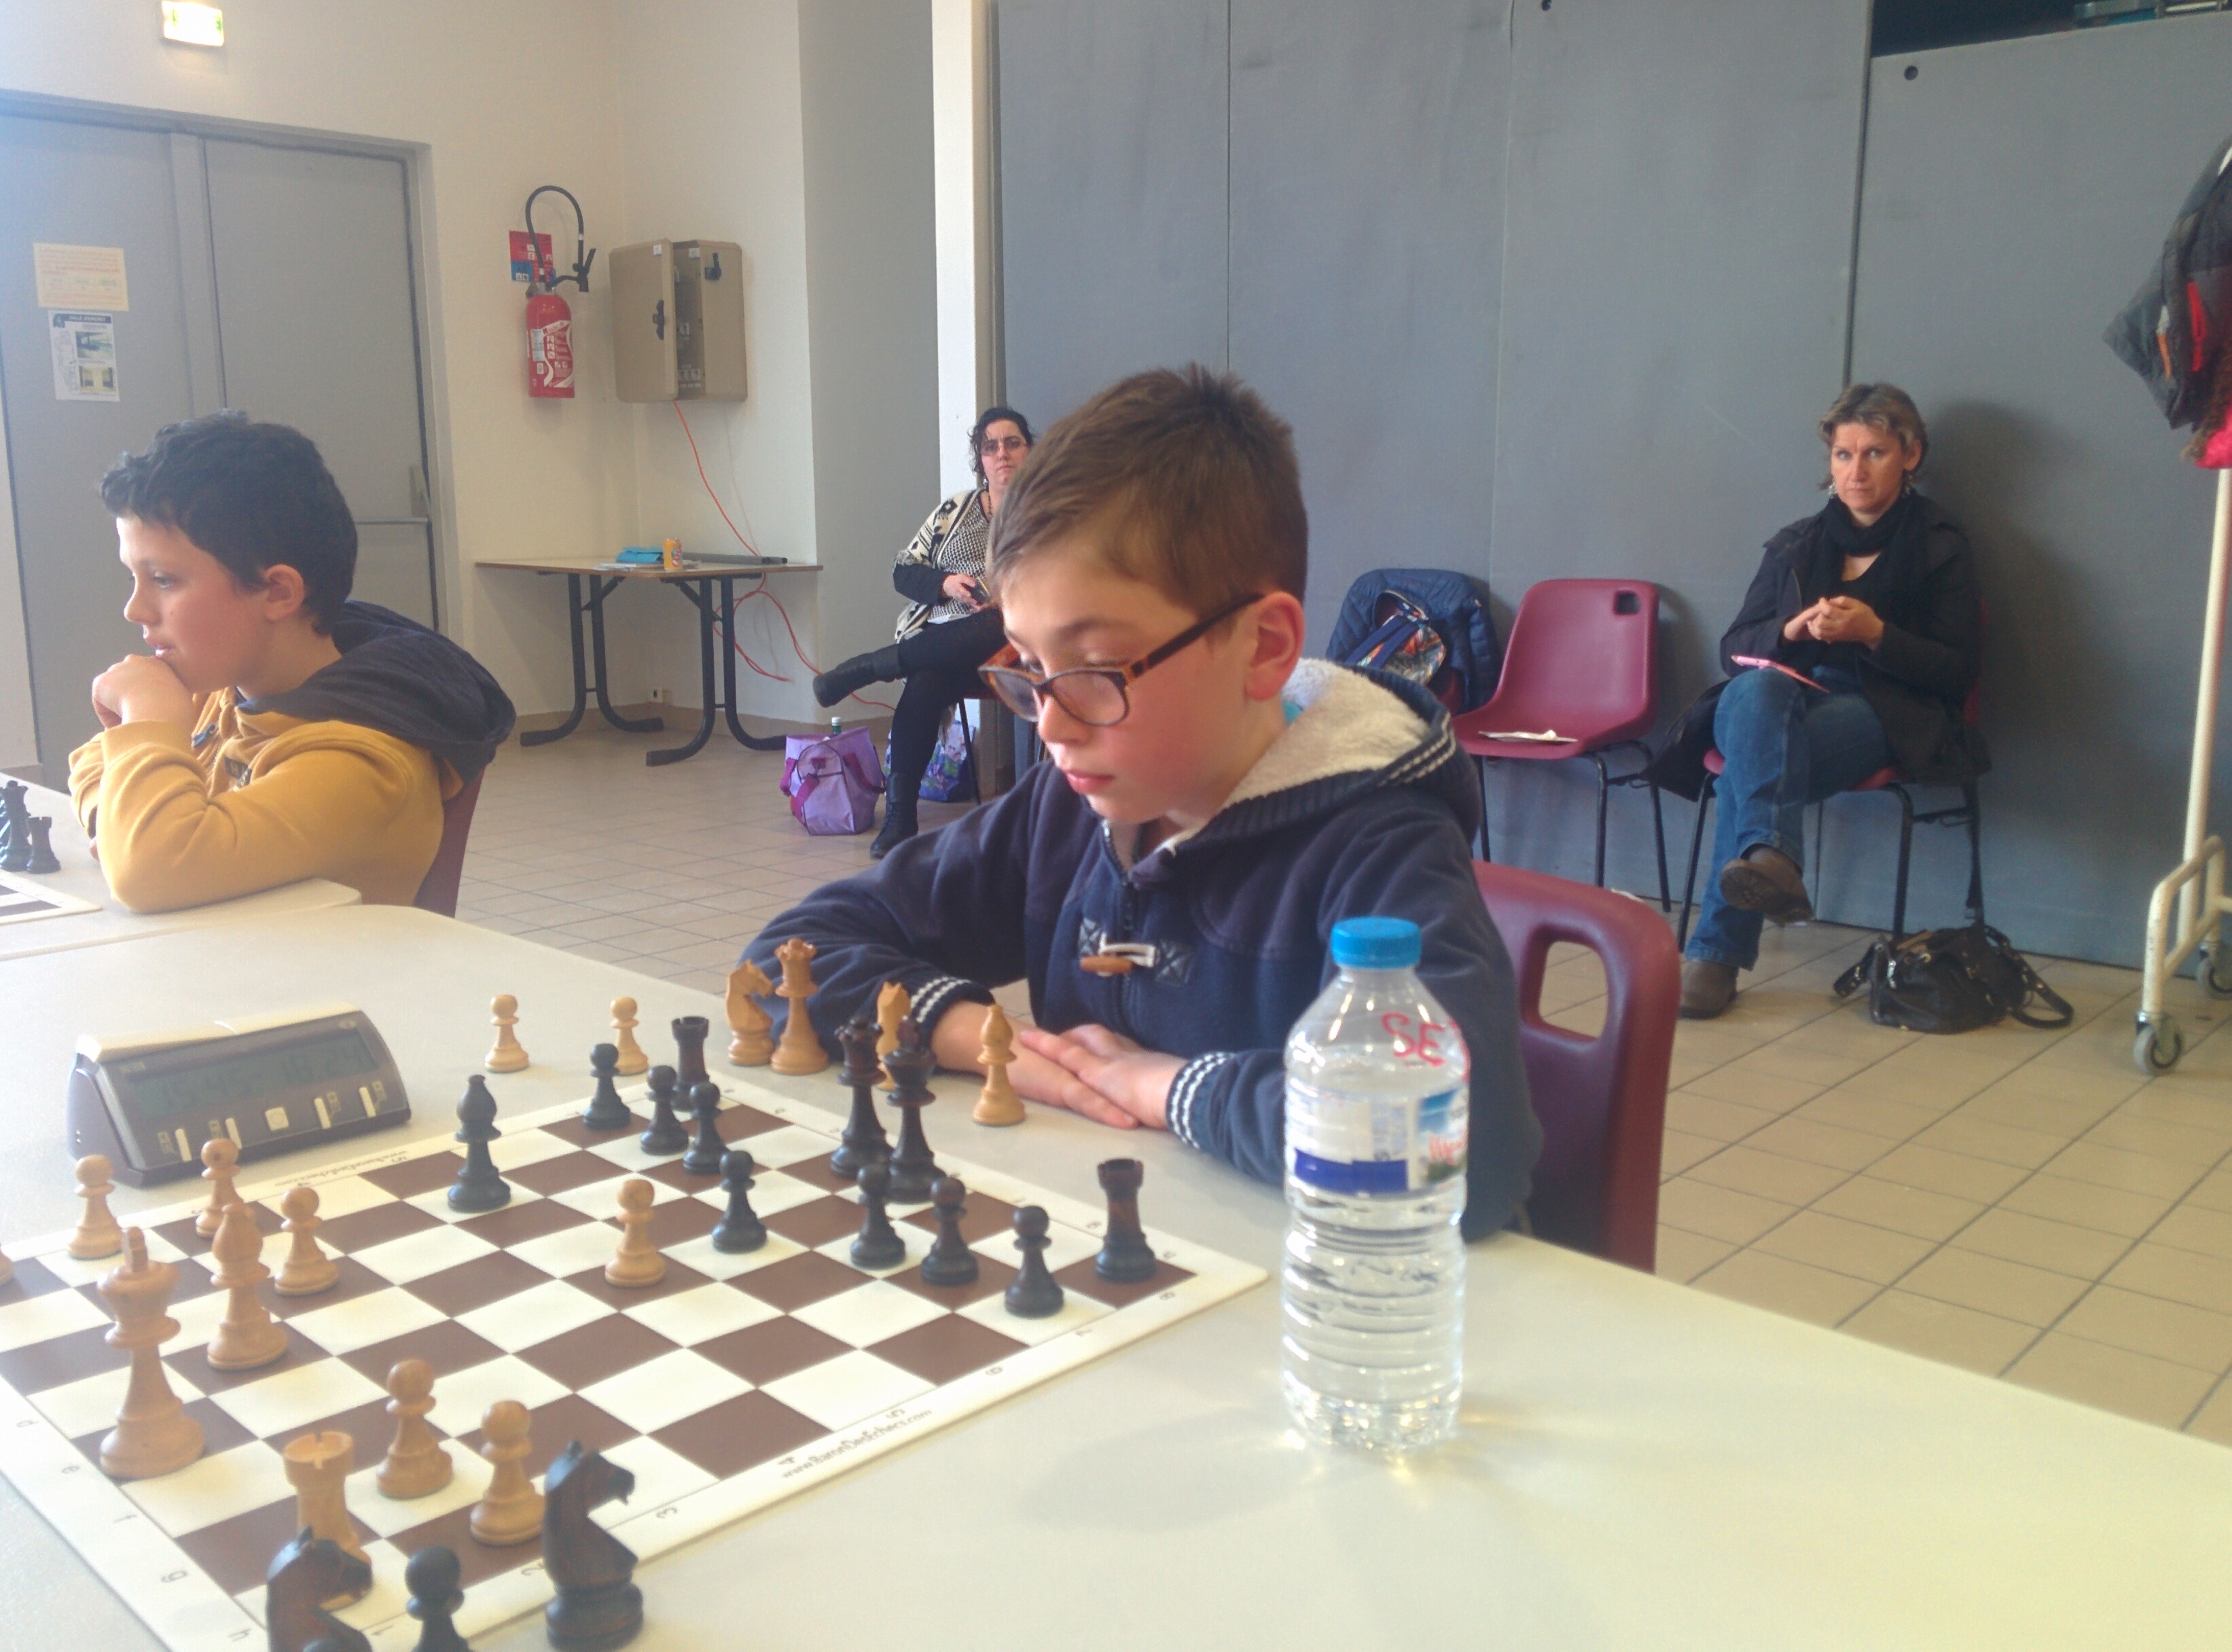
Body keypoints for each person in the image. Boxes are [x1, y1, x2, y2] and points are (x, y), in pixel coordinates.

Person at [751, 367, 1539, 1239]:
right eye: (1029, 669)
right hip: (1125, 1248)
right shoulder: (1066, 806)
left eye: (1093, 670)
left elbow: (1463, 1145)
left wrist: (1165, 1087)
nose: (1052, 725)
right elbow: (789, 954)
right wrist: (986, 1039)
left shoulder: (1378, 844)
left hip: (1312, 1280)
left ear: (1262, 647)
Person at [69, 412, 516, 912]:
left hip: (326, 965)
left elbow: (150, 872)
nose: (135, 610)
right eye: (134, 578)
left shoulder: (365, 763)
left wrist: (147, 718)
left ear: (278, 592)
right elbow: (89, 763)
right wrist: (121, 825)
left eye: (164, 580)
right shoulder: (222, 690)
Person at [1668, 384, 1986, 1019]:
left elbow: (1957, 673)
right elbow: (1735, 649)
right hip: (1779, 701)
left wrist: (1876, 635)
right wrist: (1789, 631)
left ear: (1911, 456)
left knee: (1745, 773)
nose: (1856, 471)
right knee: (1757, 688)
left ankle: (1719, 952)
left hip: (1883, 709)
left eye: (1874, 454)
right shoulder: (1797, 542)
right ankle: (1771, 862)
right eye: (1844, 455)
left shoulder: (1940, 544)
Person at [812, 406, 1034, 859]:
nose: (1002, 454)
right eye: (990, 446)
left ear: (1029, 451)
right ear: (980, 459)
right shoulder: (956, 509)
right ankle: (900, 816)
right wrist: (946, 584)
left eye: (1012, 443)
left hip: (1012, 646)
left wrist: (1004, 597)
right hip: (943, 644)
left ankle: (870, 667)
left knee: (997, 623)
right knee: (927, 679)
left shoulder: (1047, 511)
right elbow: (903, 569)